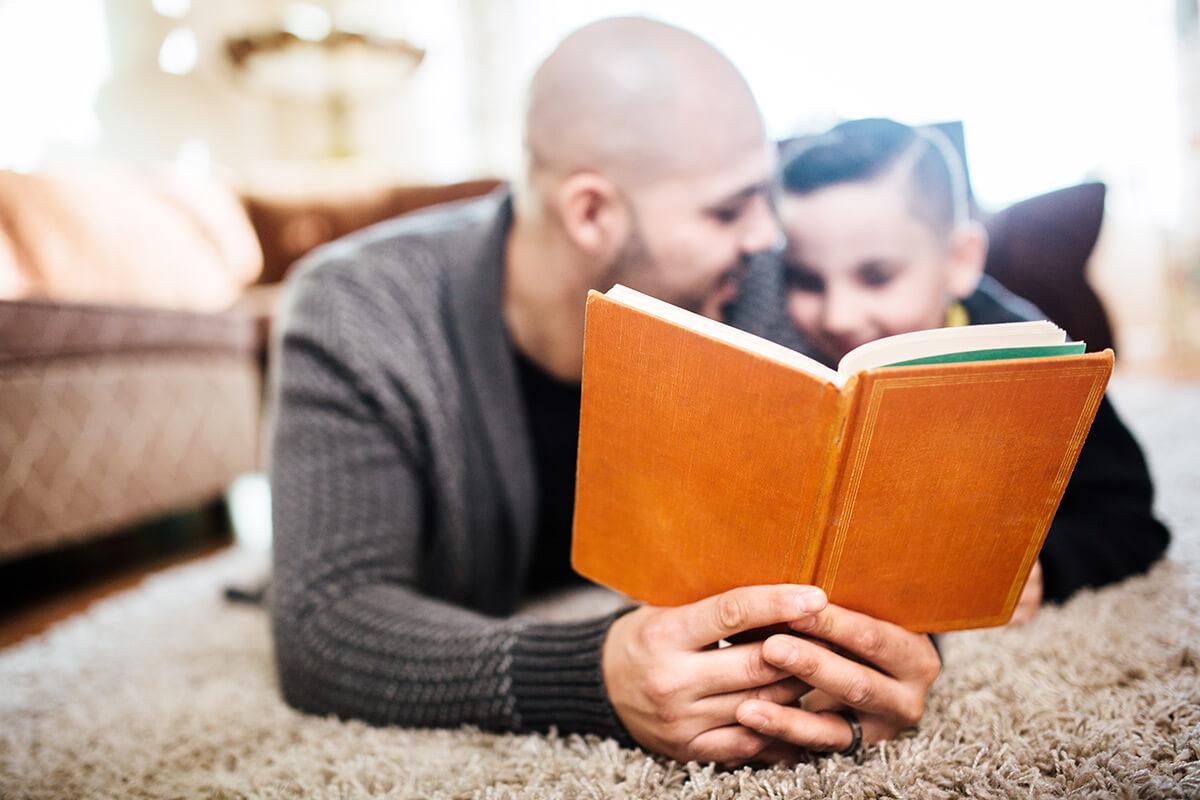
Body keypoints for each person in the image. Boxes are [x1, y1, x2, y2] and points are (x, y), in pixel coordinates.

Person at [269, 20, 940, 766]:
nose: (766, 238)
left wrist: (883, 646)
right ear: (591, 212)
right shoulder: (359, 311)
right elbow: (327, 624)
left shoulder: (739, 282)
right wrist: (593, 674)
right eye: (728, 209)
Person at [729, 117, 1169, 621]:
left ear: (960, 261)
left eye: (877, 276)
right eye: (807, 280)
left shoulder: (1041, 365)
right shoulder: (791, 348)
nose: (837, 316)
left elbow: (1133, 523)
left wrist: (1049, 567)